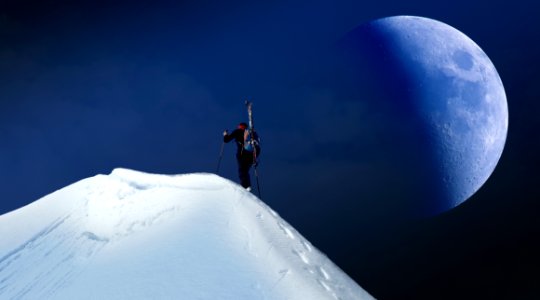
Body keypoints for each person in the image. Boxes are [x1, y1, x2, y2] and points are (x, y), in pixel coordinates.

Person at [223, 122, 260, 191]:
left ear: (239, 126)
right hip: (251, 154)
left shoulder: (238, 131)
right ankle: (247, 186)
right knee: (245, 171)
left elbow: (226, 140)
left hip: (242, 154)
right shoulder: (249, 133)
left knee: (242, 171)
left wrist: (225, 134)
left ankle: (245, 187)